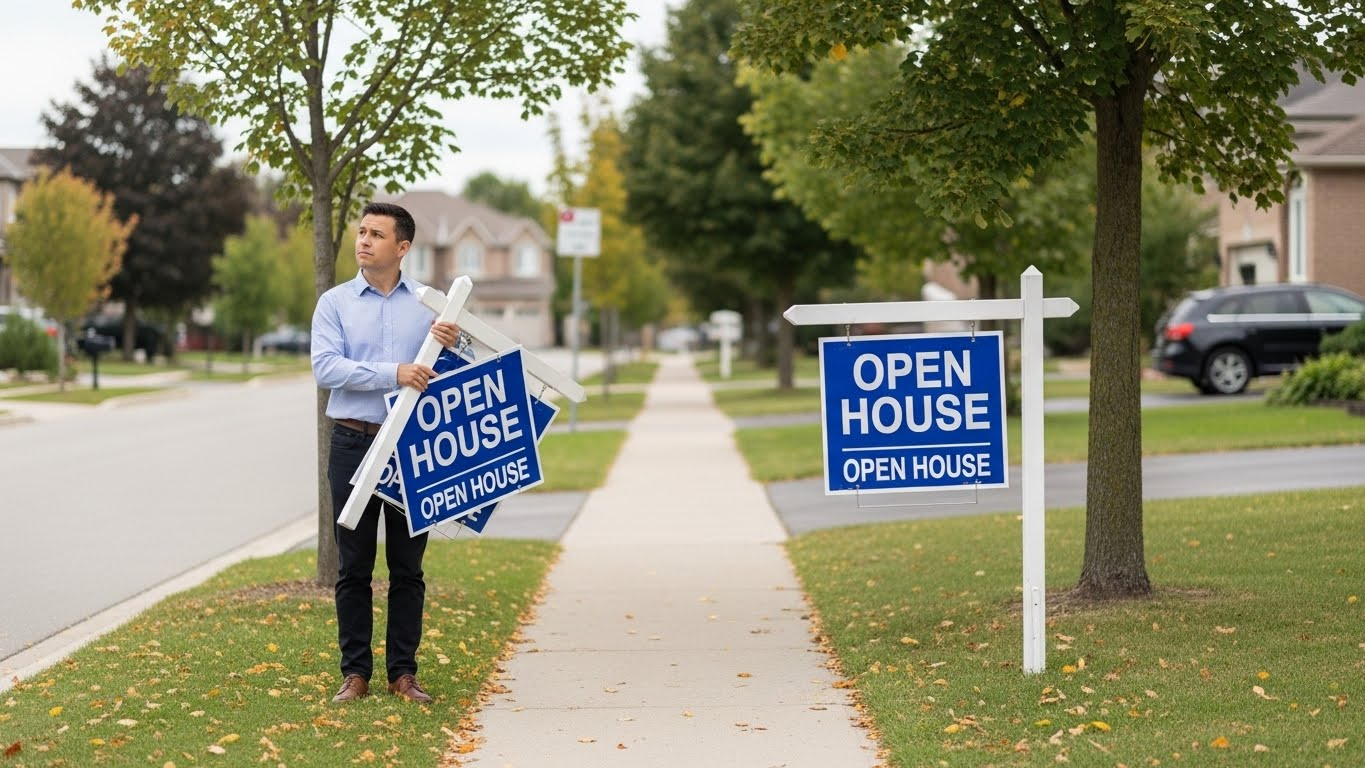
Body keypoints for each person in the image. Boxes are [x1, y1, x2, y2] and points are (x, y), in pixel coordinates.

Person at [311, 201, 459, 704]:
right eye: (361, 231)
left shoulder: (429, 306)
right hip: (352, 442)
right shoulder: (334, 303)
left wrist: (454, 346)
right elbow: (326, 369)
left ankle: (404, 674)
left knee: (407, 566)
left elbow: (455, 375)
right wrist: (392, 372)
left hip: (410, 446)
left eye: (376, 234)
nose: (364, 240)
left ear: (402, 247)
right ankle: (355, 674)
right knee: (352, 566)